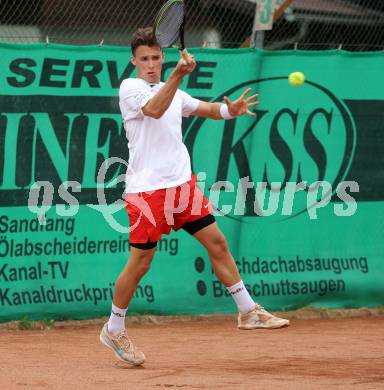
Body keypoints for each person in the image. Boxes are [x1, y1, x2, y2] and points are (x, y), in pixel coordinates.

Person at [99, 27, 289, 366]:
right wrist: (176, 74)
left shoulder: (175, 91)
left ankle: (248, 311)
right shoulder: (130, 88)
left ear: (163, 57)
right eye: (145, 59)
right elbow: (155, 110)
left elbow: (208, 110)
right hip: (146, 193)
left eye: (157, 57)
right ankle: (114, 328)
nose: (152, 64)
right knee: (140, 262)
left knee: (217, 243)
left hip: (182, 187)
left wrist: (231, 110)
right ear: (134, 61)